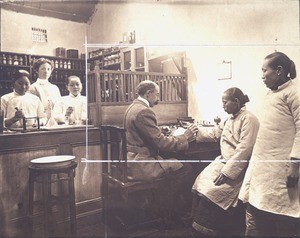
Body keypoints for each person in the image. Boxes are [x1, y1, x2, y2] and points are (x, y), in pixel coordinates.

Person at [239, 52, 300, 237]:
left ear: (279, 71)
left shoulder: (294, 93)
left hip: (282, 168)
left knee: (284, 215)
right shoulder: (270, 94)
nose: (262, 75)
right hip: (262, 168)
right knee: (256, 210)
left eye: (265, 70)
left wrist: (295, 164)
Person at [124, 80, 198, 226]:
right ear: (149, 93)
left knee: (175, 164)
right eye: (157, 95)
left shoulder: (133, 107)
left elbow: (148, 135)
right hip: (142, 163)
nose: (158, 98)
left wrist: (159, 132)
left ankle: (163, 210)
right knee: (186, 169)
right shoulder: (145, 111)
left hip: (133, 159)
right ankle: (169, 215)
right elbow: (160, 143)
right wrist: (185, 137)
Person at [191, 87, 259, 237]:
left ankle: (211, 229)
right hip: (223, 162)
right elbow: (215, 133)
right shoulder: (230, 119)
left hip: (239, 168)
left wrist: (227, 171)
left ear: (235, 102)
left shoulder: (249, 119)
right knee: (200, 181)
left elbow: (245, 149)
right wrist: (196, 131)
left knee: (212, 191)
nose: (223, 106)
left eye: (225, 102)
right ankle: (197, 225)